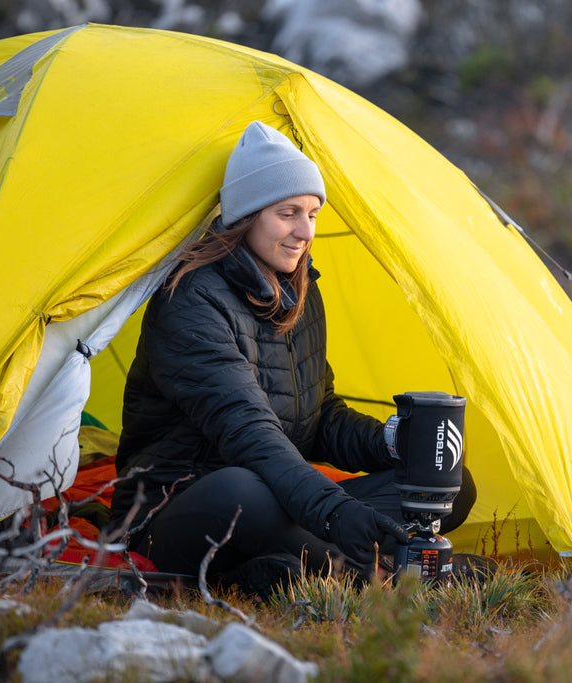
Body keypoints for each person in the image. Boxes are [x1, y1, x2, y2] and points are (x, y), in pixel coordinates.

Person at [109, 121, 475, 596]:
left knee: (443, 483)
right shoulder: (191, 301)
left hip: (279, 498)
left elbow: (316, 419)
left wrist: (396, 442)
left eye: (313, 214)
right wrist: (334, 513)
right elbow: (251, 434)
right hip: (177, 511)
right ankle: (392, 577)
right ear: (247, 216)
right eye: (288, 213)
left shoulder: (299, 293)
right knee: (241, 491)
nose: (305, 231)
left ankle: (280, 568)